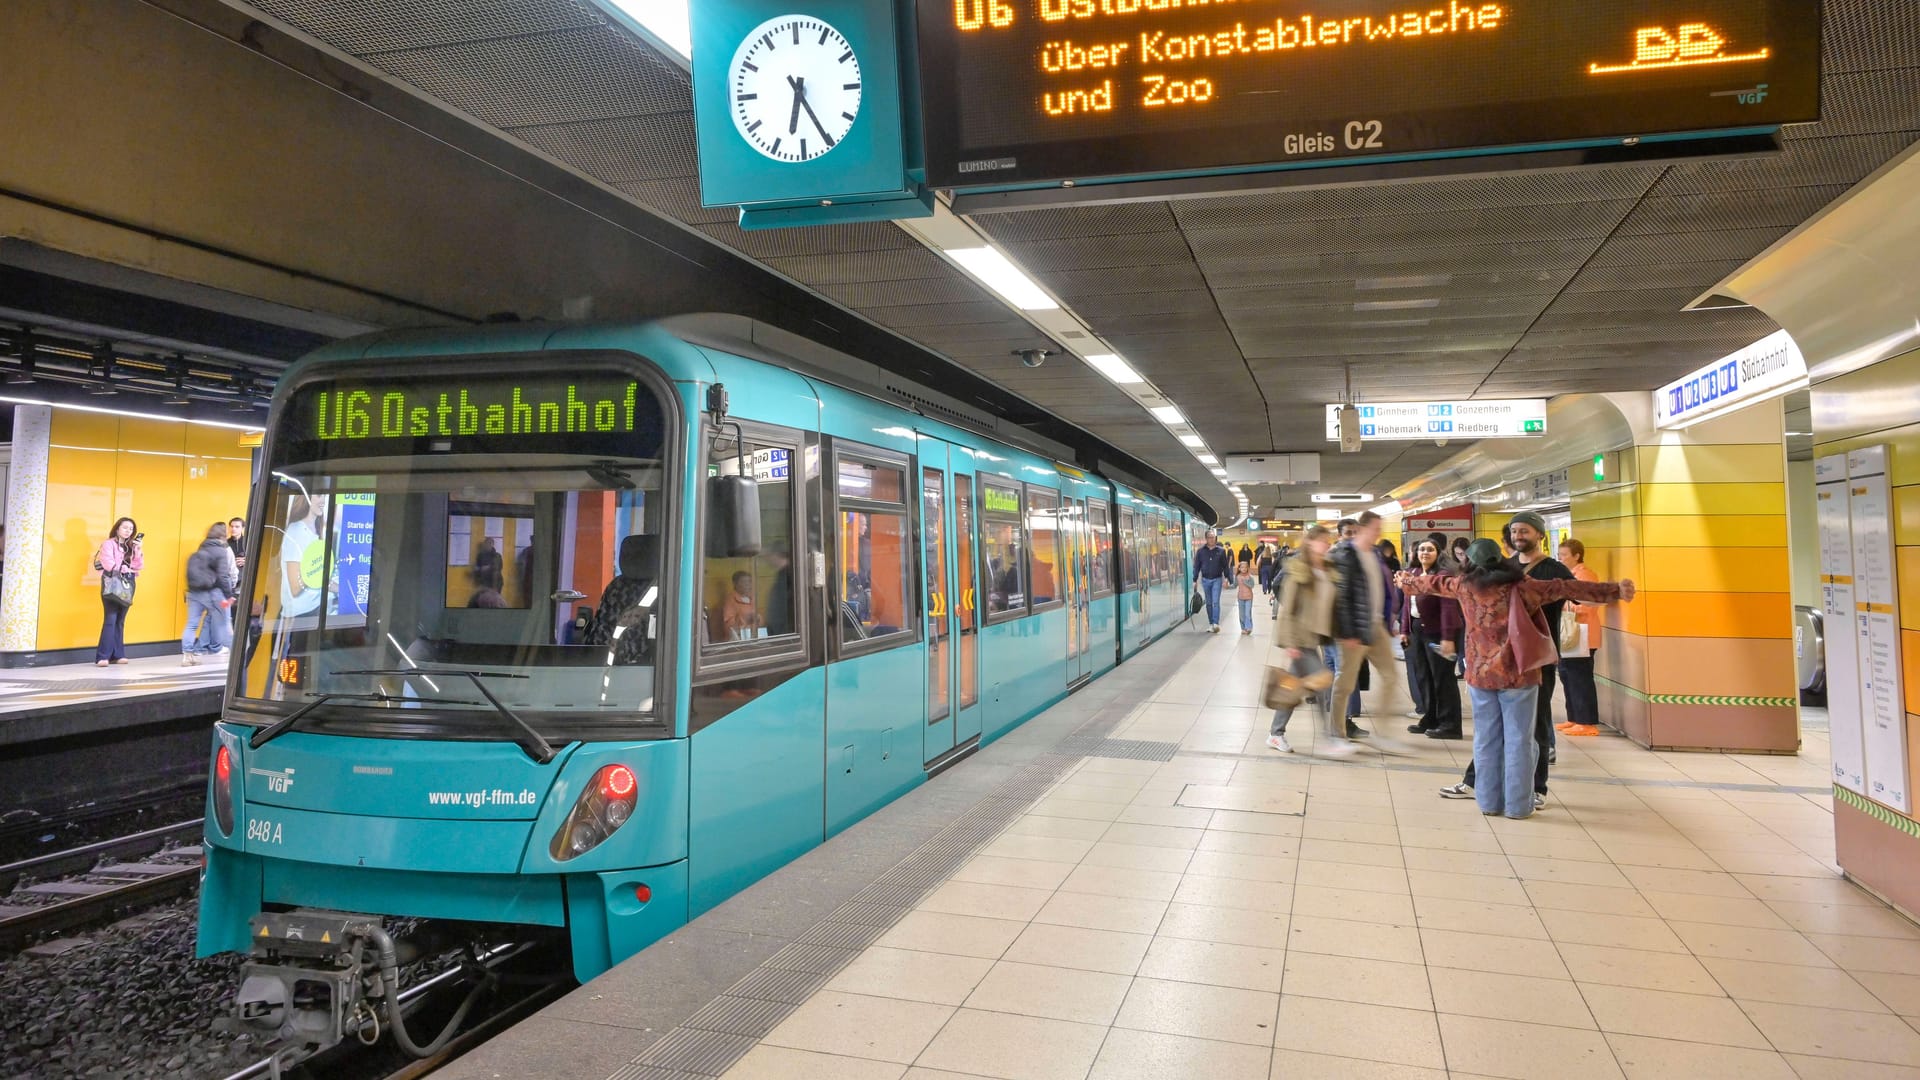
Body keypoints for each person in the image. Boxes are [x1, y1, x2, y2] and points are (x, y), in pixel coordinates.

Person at [1400, 540, 1631, 819]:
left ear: (1469, 562)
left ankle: (1489, 803)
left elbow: (1430, 583)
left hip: (1481, 675)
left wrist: (1405, 580)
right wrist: (1615, 590)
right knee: (1520, 740)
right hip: (1519, 675)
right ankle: (1519, 806)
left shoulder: (1463, 585)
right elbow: (1565, 587)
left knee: (1486, 740)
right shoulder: (1522, 586)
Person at [1327, 511, 1403, 754]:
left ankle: (1383, 734)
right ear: (1362, 529)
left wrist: (1389, 620)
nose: (1378, 534)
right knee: (1345, 683)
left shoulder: (1375, 554)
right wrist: (1348, 632)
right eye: (1375, 529)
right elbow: (1341, 596)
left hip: (1376, 625)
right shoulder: (1346, 554)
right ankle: (1337, 735)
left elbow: (1384, 589)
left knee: (1390, 677)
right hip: (1353, 630)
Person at [1267, 524, 1337, 753]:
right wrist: (1289, 643)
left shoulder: (1325, 568)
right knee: (1322, 684)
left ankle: (1275, 734)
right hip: (1300, 639)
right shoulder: (1299, 568)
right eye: (1323, 541)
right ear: (1310, 542)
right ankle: (1329, 739)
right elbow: (1289, 608)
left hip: (1314, 638)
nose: (1326, 545)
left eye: (1328, 541)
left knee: (1291, 689)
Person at [1401, 539, 1464, 738]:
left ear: (1438, 553)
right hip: (1418, 630)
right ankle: (1430, 718)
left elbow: (1448, 608)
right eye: (1421, 549)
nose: (1425, 553)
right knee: (1424, 677)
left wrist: (1447, 637)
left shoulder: (1442, 576)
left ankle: (1450, 725)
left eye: (1430, 549)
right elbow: (1407, 604)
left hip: (1439, 632)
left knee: (1443, 679)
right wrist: (1404, 630)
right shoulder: (1413, 574)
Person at [1556, 539, 1604, 737]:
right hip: (1570, 631)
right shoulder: (1569, 576)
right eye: (1559, 555)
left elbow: (1588, 604)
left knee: (1580, 677)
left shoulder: (1585, 576)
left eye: (1564, 555)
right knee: (1567, 675)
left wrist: (1562, 604)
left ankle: (1587, 721)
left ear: (1577, 556)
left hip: (1583, 633)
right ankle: (1574, 717)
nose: (1560, 559)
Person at [182, 522, 239, 664]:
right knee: (224, 622)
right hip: (213, 593)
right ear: (223, 535)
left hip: (194, 592)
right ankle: (236, 655)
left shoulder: (201, 548)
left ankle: (187, 656)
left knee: (192, 624)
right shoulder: (221, 550)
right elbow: (223, 576)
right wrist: (229, 595)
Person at [94, 517, 144, 666]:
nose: (128, 531)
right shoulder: (108, 544)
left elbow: (138, 566)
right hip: (112, 583)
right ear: (117, 529)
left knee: (120, 620)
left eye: (131, 529)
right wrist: (124, 569)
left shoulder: (132, 546)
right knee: (110, 618)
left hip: (128, 584)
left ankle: (118, 654)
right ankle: (103, 656)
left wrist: (138, 550)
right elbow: (108, 564)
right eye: (125, 527)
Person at [1191, 530, 1232, 634]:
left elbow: (1225, 566)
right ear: (1206, 538)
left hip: (1217, 579)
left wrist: (1227, 578)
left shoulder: (1221, 551)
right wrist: (1194, 580)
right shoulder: (1200, 551)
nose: (1212, 539)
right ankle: (1211, 623)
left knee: (1215, 602)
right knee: (1208, 603)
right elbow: (1197, 566)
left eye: (1213, 537)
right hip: (1205, 580)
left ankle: (1215, 623)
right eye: (1210, 537)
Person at [721, 570, 762, 640]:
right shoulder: (731, 600)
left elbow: (760, 621)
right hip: (739, 639)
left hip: (753, 636)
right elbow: (728, 625)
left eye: (749, 581)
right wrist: (745, 619)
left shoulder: (752, 598)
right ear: (735, 584)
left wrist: (758, 618)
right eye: (744, 582)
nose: (748, 585)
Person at [1234, 558, 1255, 634]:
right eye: (1242, 567)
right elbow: (1234, 585)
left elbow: (1252, 585)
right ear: (1239, 568)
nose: (1244, 569)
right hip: (1241, 598)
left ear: (1247, 568)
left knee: (1247, 613)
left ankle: (1248, 628)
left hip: (1249, 597)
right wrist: (1227, 586)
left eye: (1245, 567)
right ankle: (1243, 628)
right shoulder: (1237, 577)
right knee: (1242, 614)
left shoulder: (1250, 577)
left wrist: (1245, 581)